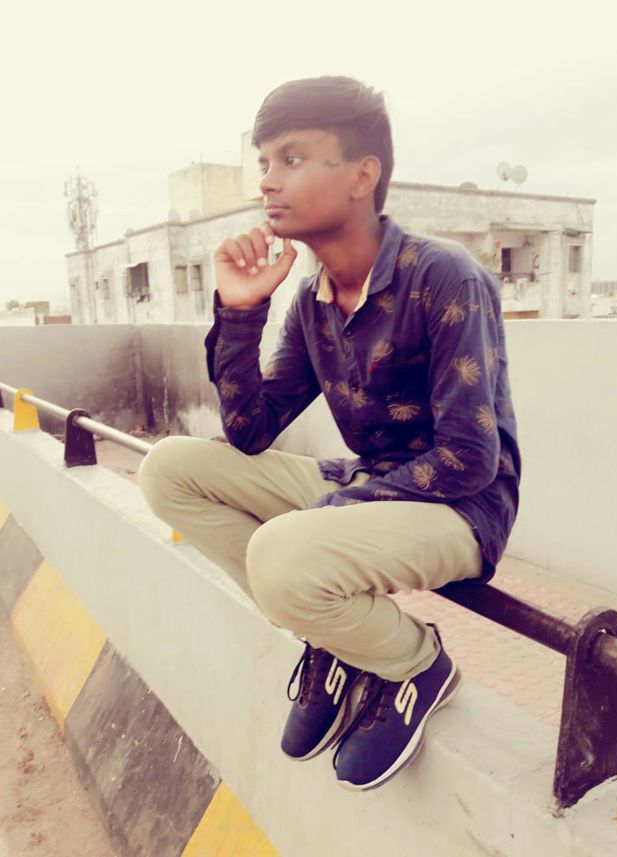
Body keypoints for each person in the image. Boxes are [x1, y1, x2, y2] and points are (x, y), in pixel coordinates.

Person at [137, 75, 521, 792]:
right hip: (366, 486)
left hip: (462, 507)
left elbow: (471, 457)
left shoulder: (444, 276)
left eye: (290, 159)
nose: (266, 182)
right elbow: (249, 430)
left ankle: (414, 665)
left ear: (361, 176)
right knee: (168, 469)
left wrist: (331, 510)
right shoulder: (312, 302)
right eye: (263, 163)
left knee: (282, 553)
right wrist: (240, 311)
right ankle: (336, 637)